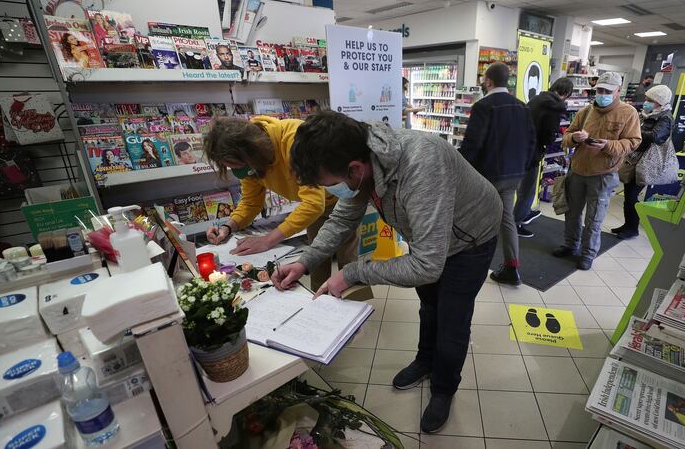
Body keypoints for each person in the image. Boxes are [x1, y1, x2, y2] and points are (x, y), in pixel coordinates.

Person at [273, 111, 501, 433]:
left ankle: (444, 388)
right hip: (431, 241)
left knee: (452, 322)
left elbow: (426, 265)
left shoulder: (422, 164)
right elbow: (341, 220)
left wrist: (353, 272)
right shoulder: (365, 164)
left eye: (331, 185)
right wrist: (305, 260)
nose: (334, 192)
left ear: (354, 169)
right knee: (430, 307)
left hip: (471, 237)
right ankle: (425, 360)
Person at [202, 115, 368, 293]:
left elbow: (313, 203)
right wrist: (229, 226)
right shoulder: (249, 162)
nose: (236, 171)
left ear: (252, 152)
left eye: (237, 166)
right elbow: (251, 202)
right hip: (316, 206)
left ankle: (354, 308)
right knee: (315, 260)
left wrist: (268, 240)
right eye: (231, 167)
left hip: (341, 197)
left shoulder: (295, 141)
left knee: (347, 261)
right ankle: (321, 304)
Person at [459, 62, 535, 286]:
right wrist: (523, 166)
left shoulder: (484, 106)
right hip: (514, 175)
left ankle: (469, 265)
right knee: (506, 218)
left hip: (487, 175)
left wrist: (460, 168)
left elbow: (473, 144)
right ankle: (512, 268)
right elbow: (531, 142)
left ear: (488, 81)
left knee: (474, 218)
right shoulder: (523, 106)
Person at [555, 72, 641, 270]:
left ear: (618, 91)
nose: (602, 94)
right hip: (577, 170)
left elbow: (633, 142)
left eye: (607, 91)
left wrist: (608, 145)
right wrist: (574, 138)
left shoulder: (628, 113)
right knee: (572, 214)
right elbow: (567, 135)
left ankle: (588, 254)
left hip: (603, 173)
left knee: (594, 218)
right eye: (599, 90)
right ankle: (570, 245)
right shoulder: (585, 111)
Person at [514, 77, 574, 238]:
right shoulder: (555, 106)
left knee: (522, 188)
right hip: (532, 151)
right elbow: (549, 134)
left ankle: (521, 214)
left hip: (518, 148)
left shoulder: (536, 99)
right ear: (567, 93)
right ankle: (516, 223)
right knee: (527, 190)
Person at [613, 84, 673, 240]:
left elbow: (657, 136)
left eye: (649, 100)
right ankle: (627, 225)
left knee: (632, 196)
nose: (646, 102)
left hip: (646, 161)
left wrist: (635, 132)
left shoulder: (665, 117)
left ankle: (633, 228)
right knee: (628, 195)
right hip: (636, 158)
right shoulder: (649, 113)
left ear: (659, 101)